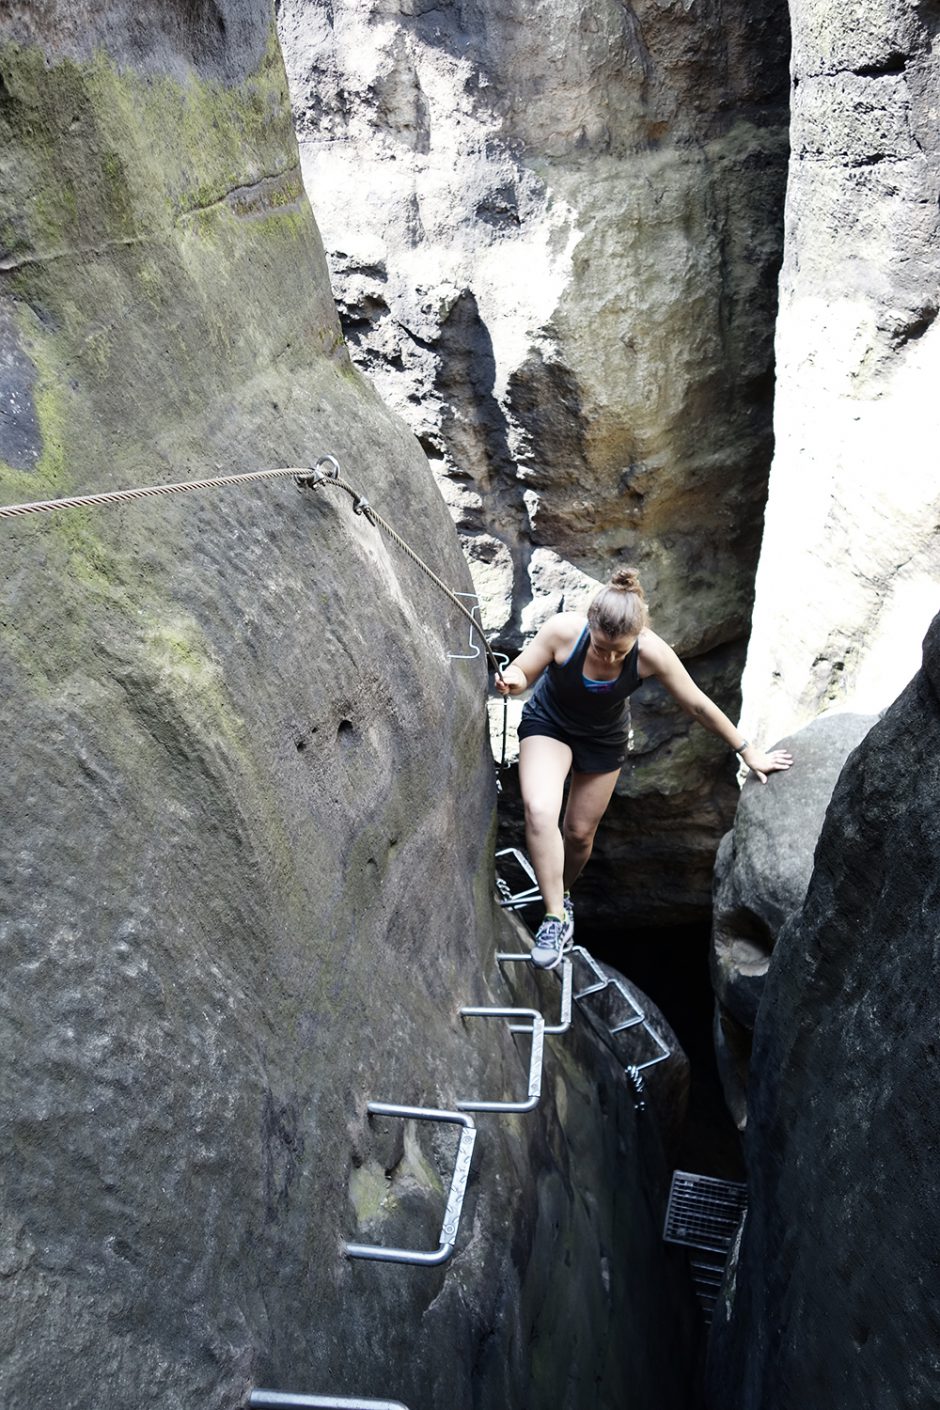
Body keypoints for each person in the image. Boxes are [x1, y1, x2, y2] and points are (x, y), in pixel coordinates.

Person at [494, 567, 793, 969]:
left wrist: (747, 750)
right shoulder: (563, 631)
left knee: (580, 835)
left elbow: (698, 704)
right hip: (550, 724)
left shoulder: (651, 652)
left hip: (604, 740)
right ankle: (554, 918)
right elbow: (524, 671)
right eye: (602, 647)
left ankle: (560, 894)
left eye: (621, 651)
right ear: (590, 625)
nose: (611, 657)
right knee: (541, 810)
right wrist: (511, 679)